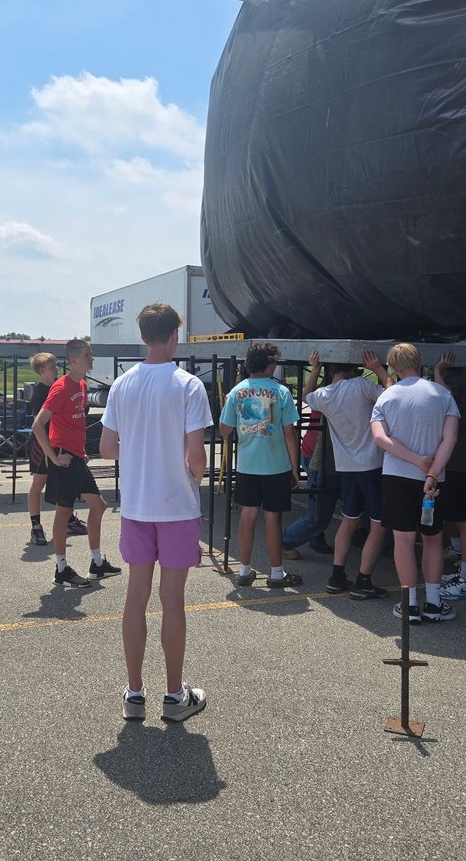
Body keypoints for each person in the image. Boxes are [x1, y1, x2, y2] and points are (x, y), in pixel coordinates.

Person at [99, 303, 212, 722]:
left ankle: (133, 693)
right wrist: (193, 477)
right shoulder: (187, 385)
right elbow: (196, 454)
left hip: (137, 506)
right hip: (177, 505)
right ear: (174, 336)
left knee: (135, 597)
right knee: (173, 601)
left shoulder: (123, 384)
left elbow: (107, 448)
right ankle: (173, 695)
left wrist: (141, 453)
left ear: (144, 335)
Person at [370, 343, 460, 624]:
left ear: (393, 367)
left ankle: (408, 604)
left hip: (396, 475)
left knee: (403, 539)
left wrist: (414, 459)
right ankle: (434, 602)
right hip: (432, 480)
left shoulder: (386, 397)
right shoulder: (443, 394)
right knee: (433, 540)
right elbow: (451, 439)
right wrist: (431, 471)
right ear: (420, 361)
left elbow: (380, 439)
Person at [303, 349, 393, 598]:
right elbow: (394, 393)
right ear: (356, 367)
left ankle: (337, 575)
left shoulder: (324, 395)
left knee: (349, 519)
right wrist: (378, 368)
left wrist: (315, 369)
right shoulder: (362, 386)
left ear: (332, 370)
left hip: (346, 467)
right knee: (378, 524)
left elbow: (306, 395)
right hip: (372, 465)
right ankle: (364, 581)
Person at [32, 339, 120, 587]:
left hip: (76, 457)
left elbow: (74, 423)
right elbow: (38, 425)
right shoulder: (60, 388)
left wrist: (81, 451)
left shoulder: (81, 384)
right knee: (64, 512)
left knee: (99, 505)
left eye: (92, 353)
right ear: (73, 360)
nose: (92, 357)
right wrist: (53, 457)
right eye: (88, 354)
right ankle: (61, 569)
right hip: (64, 458)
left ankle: (96, 563)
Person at [218, 342, 302, 588]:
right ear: (269, 364)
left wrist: (225, 404)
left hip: (247, 465)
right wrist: (295, 468)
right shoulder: (281, 392)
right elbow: (289, 433)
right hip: (276, 465)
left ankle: (244, 570)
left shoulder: (236, 392)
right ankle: (276, 573)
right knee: (273, 518)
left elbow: (224, 431)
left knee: (247, 515)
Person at [24, 353, 89, 545]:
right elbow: (40, 426)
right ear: (42, 371)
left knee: (65, 484)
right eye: (52, 367)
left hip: (61, 445)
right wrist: (48, 454)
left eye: (56, 366)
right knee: (38, 484)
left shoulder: (61, 387)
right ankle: (36, 527)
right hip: (42, 446)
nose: (57, 370)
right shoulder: (40, 393)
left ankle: (67, 520)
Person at [434, 354, 466, 600]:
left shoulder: (455, 387)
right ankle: (464, 572)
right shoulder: (465, 387)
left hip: (460, 463)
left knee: (464, 520)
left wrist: (437, 372)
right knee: (458, 517)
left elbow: (442, 397)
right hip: (465, 462)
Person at [280, 407, 340, 560]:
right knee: (317, 516)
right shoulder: (327, 396)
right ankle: (283, 542)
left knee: (325, 510)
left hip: (321, 457)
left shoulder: (326, 395)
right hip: (322, 461)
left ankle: (315, 538)